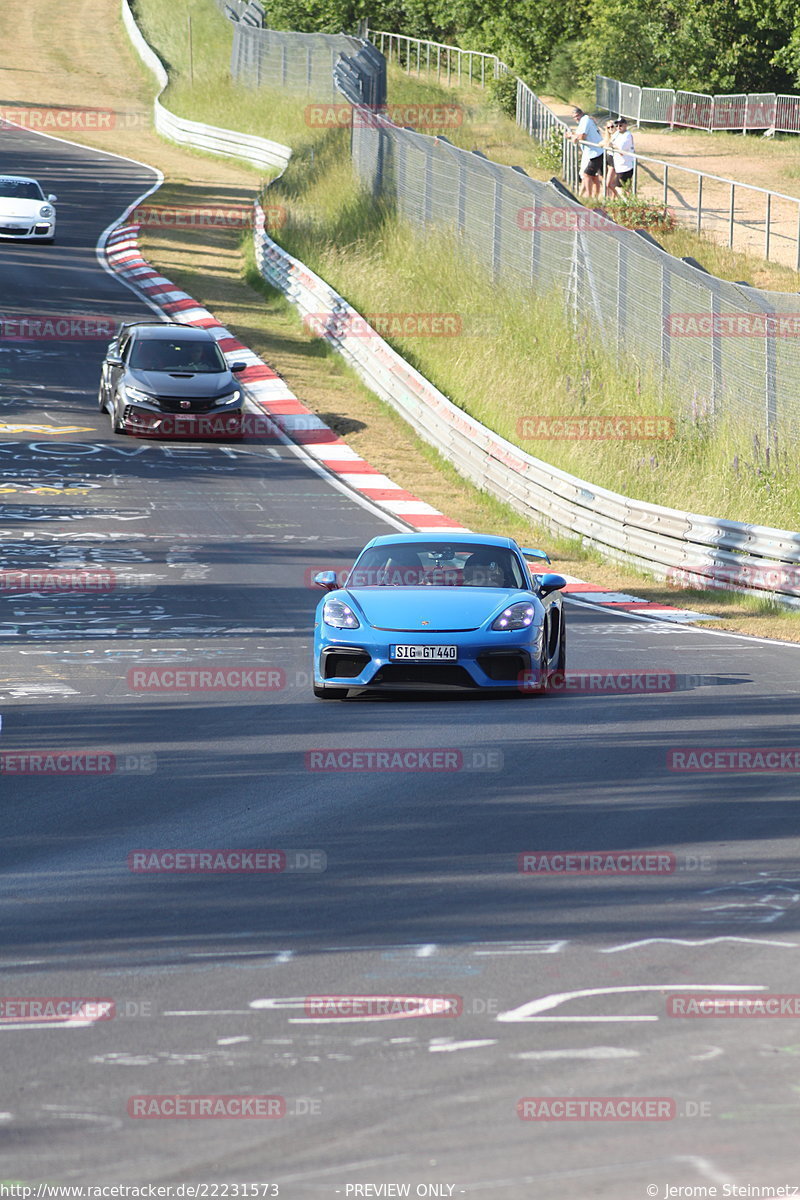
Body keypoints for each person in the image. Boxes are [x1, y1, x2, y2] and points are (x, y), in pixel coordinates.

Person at [566, 106, 604, 198]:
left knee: (586, 175)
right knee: (594, 177)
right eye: (574, 117)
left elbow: (582, 136)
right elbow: (579, 134)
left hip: (595, 152)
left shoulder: (585, 120)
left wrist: (573, 137)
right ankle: (594, 197)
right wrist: (572, 135)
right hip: (592, 153)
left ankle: (590, 196)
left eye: (577, 116)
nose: (576, 118)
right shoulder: (583, 121)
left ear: (581, 114)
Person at [608, 117, 635, 197]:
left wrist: (613, 146)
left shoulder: (627, 135)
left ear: (625, 125)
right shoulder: (617, 134)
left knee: (620, 188)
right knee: (623, 188)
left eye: (621, 125)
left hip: (626, 166)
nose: (618, 127)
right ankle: (627, 204)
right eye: (617, 125)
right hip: (619, 165)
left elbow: (621, 150)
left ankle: (627, 204)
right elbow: (610, 142)